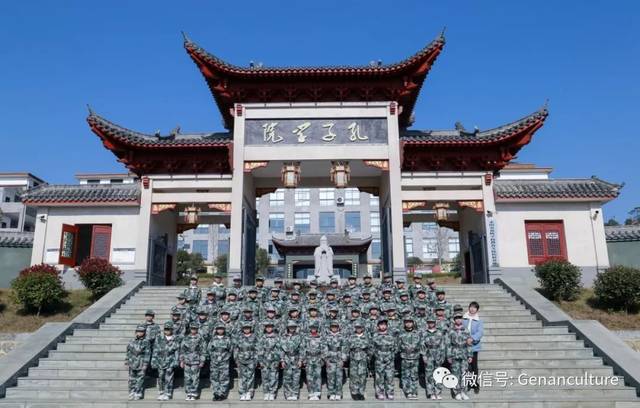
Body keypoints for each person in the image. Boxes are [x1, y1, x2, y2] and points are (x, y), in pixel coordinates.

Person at [151, 321, 181, 400]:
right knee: (160, 377)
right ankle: (161, 392)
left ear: (172, 330)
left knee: (169, 378)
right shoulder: (159, 338)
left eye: (169, 329)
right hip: (160, 361)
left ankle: (168, 393)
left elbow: (177, 351)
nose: (167, 331)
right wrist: (153, 361)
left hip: (170, 361)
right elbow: (155, 350)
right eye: (166, 329)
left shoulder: (175, 339)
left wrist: (176, 361)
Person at [447, 313, 473, 400]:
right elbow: (448, 344)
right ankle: (456, 392)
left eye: (460, 318)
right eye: (456, 318)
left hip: (464, 354)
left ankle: (464, 392)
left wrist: (470, 355)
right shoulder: (450, 331)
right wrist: (449, 356)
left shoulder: (466, 330)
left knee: (464, 373)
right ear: (454, 320)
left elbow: (469, 344)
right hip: (454, 354)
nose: (458, 320)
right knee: (455, 374)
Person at [422, 314, 446, 400]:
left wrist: (443, 355)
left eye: (432, 322)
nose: (431, 324)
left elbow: (443, 345)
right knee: (429, 374)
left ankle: (438, 392)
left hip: (438, 354)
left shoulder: (439, 332)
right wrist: (424, 355)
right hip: (429, 355)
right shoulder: (424, 333)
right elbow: (422, 345)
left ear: (435, 323)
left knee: (438, 374)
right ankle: (431, 392)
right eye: (429, 322)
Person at [206, 323, 233, 401]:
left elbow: (230, 350)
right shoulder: (213, 339)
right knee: (214, 377)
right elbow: (209, 349)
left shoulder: (227, 339)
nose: (220, 330)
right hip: (214, 362)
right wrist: (214, 357)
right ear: (216, 330)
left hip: (224, 362)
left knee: (224, 378)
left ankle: (222, 393)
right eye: (218, 329)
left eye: (221, 329)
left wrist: (226, 357)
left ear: (224, 330)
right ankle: (216, 393)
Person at [371, 319, 396, 400]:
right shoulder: (375, 336)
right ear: (378, 326)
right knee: (379, 377)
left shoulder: (391, 336)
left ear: (387, 325)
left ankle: (390, 392)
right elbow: (372, 348)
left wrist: (390, 356)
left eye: (384, 324)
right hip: (379, 359)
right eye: (381, 324)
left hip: (389, 360)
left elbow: (395, 348)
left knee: (390, 377)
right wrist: (378, 356)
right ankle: (380, 393)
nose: (383, 326)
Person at [179, 322, 205, 401]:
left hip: (196, 361)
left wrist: (202, 361)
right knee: (187, 377)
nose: (193, 330)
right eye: (192, 328)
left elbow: (203, 351)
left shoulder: (200, 338)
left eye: (195, 329)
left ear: (197, 329)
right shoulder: (186, 338)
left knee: (195, 378)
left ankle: (194, 392)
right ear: (190, 329)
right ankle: (188, 392)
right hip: (187, 361)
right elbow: (182, 350)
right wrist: (181, 360)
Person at [397, 317, 421, 399]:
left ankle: (414, 391)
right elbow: (398, 346)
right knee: (405, 375)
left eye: (410, 322)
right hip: (405, 357)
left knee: (414, 375)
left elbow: (421, 345)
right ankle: (408, 392)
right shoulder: (401, 334)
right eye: (406, 322)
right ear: (404, 323)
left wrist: (415, 349)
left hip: (415, 357)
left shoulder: (417, 333)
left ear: (413, 323)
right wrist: (404, 348)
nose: (408, 323)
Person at [257, 322, 282, 400]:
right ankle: (266, 392)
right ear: (265, 328)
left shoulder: (277, 337)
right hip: (264, 360)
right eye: (267, 327)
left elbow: (279, 350)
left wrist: (278, 360)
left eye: (270, 327)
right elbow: (259, 350)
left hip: (274, 359)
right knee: (265, 376)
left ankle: (272, 392)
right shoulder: (262, 337)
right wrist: (260, 361)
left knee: (274, 376)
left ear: (273, 328)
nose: (269, 328)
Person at [279, 321, 304, 401]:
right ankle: (288, 394)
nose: (292, 328)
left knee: (296, 378)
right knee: (287, 378)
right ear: (287, 327)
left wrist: (300, 360)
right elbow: (281, 350)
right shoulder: (283, 336)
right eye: (290, 327)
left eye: (293, 327)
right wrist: (282, 360)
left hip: (296, 359)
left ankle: (295, 394)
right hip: (287, 359)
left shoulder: (299, 336)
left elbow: (301, 349)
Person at [345, 321, 370, 400]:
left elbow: (370, 348)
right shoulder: (351, 337)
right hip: (353, 359)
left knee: (362, 376)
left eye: (360, 327)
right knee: (354, 375)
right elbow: (346, 348)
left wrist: (368, 357)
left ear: (363, 328)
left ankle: (361, 392)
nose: (358, 329)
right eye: (357, 327)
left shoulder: (366, 337)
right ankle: (354, 392)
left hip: (363, 359)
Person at [234, 323, 258, 401]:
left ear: (250, 329)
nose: (246, 329)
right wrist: (236, 359)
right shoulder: (239, 337)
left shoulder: (254, 337)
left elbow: (257, 349)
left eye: (248, 328)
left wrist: (256, 360)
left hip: (251, 359)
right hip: (241, 359)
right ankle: (242, 393)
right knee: (241, 377)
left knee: (250, 377)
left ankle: (249, 393)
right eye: (245, 328)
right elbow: (236, 349)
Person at [125, 325, 150, 400]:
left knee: (140, 379)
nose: (140, 333)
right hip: (132, 362)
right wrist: (126, 361)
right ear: (136, 332)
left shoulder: (146, 342)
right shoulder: (131, 341)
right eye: (138, 331)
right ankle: (131, 392)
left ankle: (138, 392)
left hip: (141, 362)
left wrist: (145, 364)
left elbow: (147, 353)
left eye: (142, 332)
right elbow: (128, 352)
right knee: (131, 378)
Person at [323, 321, 347, 400]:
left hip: (339, 358)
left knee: (339, 377)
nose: (334, 328)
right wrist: (326, 360)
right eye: (333, 326)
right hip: (330, 359)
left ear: (338, 327)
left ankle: (338, 393)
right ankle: (331, 393)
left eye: (336, 326)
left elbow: (344, 348)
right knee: (330, 377)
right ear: (330, 327)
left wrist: (343, 360)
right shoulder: (327, 336)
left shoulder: (341, 336)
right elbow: (324, 348)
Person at [463, 301, 483, 394]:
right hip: (463, 346)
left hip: (474, 346)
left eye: (474, 307)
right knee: (466, 366)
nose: (472, 309)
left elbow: (480, 333)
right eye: (471, 307)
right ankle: (467, 383)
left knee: (474, 367)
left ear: (477, 310)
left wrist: (472, 339)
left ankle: (475, 384)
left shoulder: (479, 321)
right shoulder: (463, 318)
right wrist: (465, 339)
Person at [302, 322, 324, 400]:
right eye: (312, 327)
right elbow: (303, 349)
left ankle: (317, 393)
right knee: (309, 376)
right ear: (310, 328)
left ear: (317, 328)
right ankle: (311, 392)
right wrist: (303, 359)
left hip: (318, 358)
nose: (313, 329)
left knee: (317, 376)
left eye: (315, 327)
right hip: (309, 358)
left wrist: (323, 358)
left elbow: (323, 348)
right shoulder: (306, 337)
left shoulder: (321, 337)